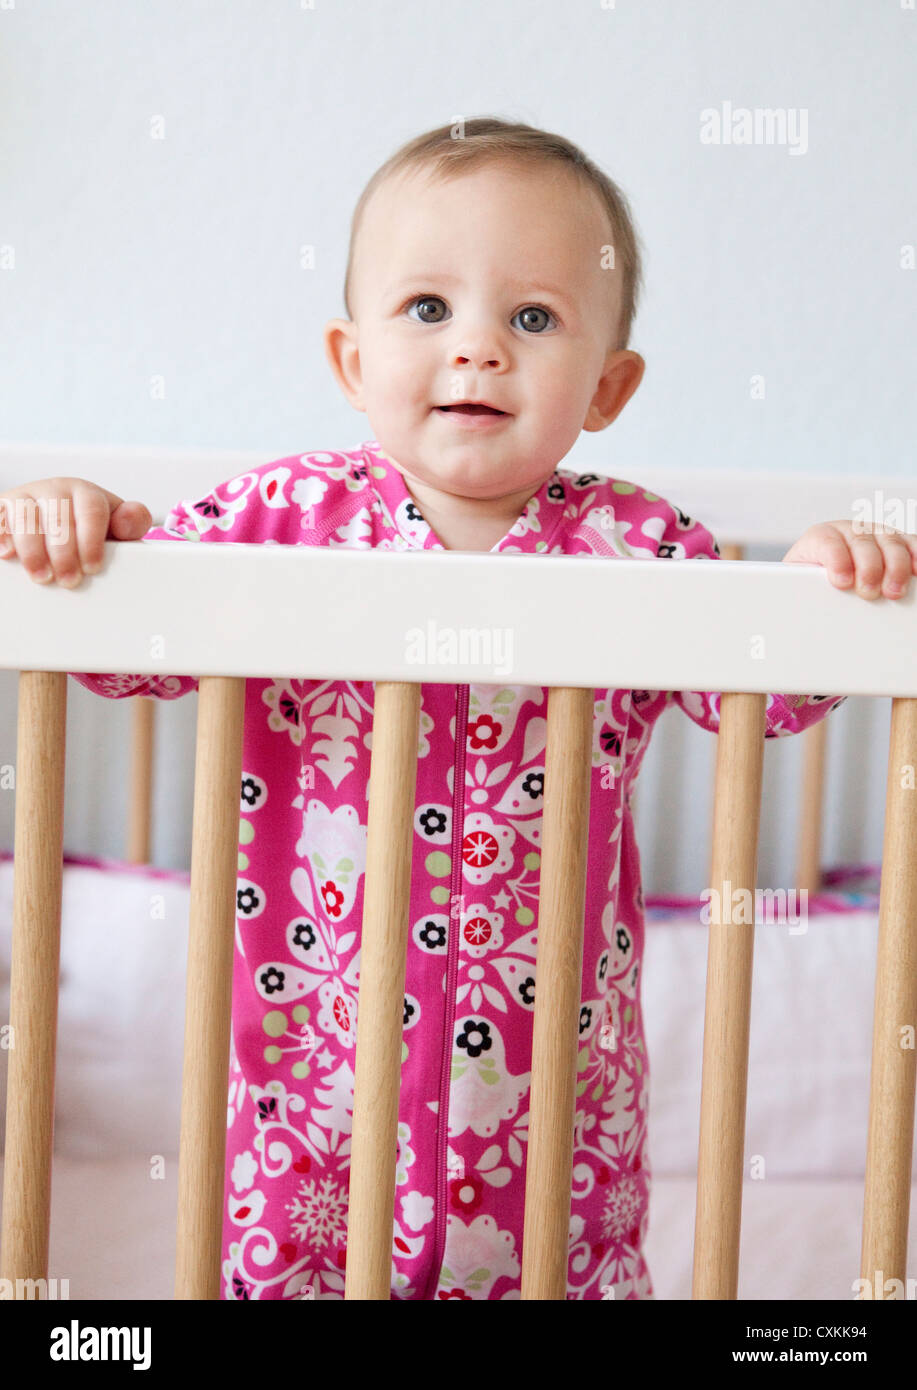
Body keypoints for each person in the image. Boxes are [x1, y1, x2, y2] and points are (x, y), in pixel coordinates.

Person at [2, 118, 915, 1301]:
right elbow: (127, 639)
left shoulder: (636, 547)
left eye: (530, 319)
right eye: (426, 309)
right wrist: (81, 528)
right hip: (307, 1088)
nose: (475, 349)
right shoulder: (280, 525)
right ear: (348, 358)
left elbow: (768, 688)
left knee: (561, 1269)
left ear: (607, 385)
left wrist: (825, 576)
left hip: (553, 1101)